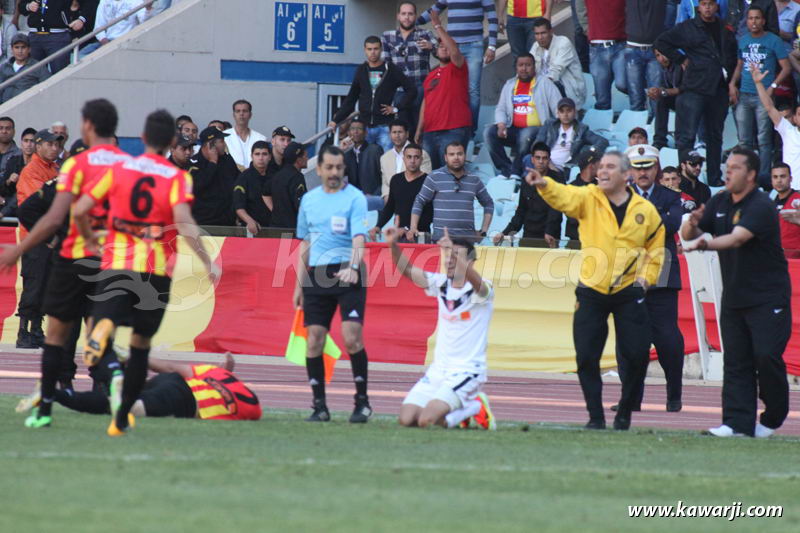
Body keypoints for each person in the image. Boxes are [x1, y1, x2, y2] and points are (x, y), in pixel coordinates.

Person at [73, 109, 219, 437]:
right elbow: (184, 223)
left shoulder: (120, 168)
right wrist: (208, 262)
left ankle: (109, 352)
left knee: (97, 335)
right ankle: (121, 418)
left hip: (117, 266)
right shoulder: (177, 177)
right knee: (141, 345)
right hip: (156, 273)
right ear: (170, 141)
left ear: (141, 138)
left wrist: (89, 239)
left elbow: (81, 208)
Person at [0, 99, 129, 428]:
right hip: (112, 259)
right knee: (99, 331)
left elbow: (50, 215)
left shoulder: (74, 166)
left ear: (87, 126)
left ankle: (45, 407)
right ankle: (111, 379)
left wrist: (19, 250)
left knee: (57, 335)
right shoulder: (130, 167)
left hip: (73, 257)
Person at [530, 151, 666, 430]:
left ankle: (625, 410)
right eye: (601, 167)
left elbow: (656, 249)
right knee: (586, 356)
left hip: (629, 291)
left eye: (610, 167)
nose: (602, 171)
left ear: (626, 175)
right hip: (591, 290)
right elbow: (564, 196)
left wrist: (646, 279)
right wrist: (544, 184)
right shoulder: (589, 197)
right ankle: (596, 416)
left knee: (637, 354)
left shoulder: (645, 210)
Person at [681, 147, 791, 438]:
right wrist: (692, 225)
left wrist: (703, 245)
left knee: (766, 356)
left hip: (768, 297)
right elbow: (690, 233)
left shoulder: (760, 206)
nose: (728, 172)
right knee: (736, 361)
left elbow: (737, 238)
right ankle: (735, 424)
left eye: (736, 168)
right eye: (727, 167)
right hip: (734, 295)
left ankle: (774, 415)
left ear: (752, 175)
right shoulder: (719, 200)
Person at [293, 145, 372, 423]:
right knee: (314, 339)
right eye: (329, 167)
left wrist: (352, 267)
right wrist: (298, 284)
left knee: (352, 337)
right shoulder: (309, 200)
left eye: (339, 167)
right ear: (319, 170)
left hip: (348, 270)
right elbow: (305, 242)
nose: (335, 172)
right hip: (317, 274)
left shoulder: (355, 198)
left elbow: (359, 238)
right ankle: (319, 406)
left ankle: (362, 402)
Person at [388, 226, 495, 430]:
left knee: (426, 421)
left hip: (467, 372)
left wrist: (454, 252)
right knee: (406, 419)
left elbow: (479, 285)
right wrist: (393, 245)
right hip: (439, 371)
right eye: (447, 255)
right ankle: (460, 408)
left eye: (456, 256)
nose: (449, 260)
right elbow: (408, 271)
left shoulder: (482, 291)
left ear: (470, 262)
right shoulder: (440, 284)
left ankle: (474, 407)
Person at [616, 144, 685, 413]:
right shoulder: (619, 196)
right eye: (638, 167)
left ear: (656, 168)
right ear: (630, 170)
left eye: (648, 167)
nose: (643, 172)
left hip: (662, 273)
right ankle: (630, 399)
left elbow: (673, 224)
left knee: (667, 338)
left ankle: (674, 395)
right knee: (627, 341)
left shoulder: (671, 196)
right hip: (628, 274)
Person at [21, 354, 261, 422]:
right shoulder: (252, 408)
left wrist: (134, 357)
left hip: (174, 384)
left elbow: (168, 367)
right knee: (126, 408)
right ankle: (53, 394)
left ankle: (118, 371)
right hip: (186, 401)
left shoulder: (215, 373)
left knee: (129, 398)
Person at [655, 0, 738, 187]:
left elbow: (732, 57)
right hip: (694, 87)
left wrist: (733, 84)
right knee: (687, 137)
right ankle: (683, 179)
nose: (707, 7)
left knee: (715, 136)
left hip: (719, 88)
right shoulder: (688, 27)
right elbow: (661, 42)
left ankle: (715, 178)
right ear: (698, 7)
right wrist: (681, 59)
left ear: (717, 6)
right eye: (704, 4)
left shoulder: (725, 27)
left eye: (711, 4)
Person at [729, 5, 790, 182]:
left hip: (765, 97)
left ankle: (763, 178)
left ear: (763, 21)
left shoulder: (773, 40)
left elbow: (786, 67)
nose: (754, 22)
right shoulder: (743, 40)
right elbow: (740, 65)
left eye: (757, 18)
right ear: (746, 21)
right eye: (750, 18)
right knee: (744, 141)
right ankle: (745, 176)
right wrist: (733, 83)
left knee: (764, 140)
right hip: (744, 94)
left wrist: (772, 86)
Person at [417, 0, 499, 129]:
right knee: (449, 87)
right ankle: (452, 125)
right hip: (452, 45)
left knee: (472, 90)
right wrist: (411, 23)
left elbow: (493, 18)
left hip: (474, 46)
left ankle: (470, 130)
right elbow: (433, 11)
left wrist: (492, 46)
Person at [329, 35, 416, 153]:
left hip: (385, 126)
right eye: (369, 49)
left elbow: (412, 90)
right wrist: (336, 120)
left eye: (376, 49)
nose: (373, 52)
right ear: (365, 50)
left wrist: (396, 108)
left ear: (381, 50)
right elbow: (351, 97)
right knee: (363, 161)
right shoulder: (361, 70)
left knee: (386, 162)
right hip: (364, 127)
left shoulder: (390, 69)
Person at [485, 52, 561, 181]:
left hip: (538, 130)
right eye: (521, 65)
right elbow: (501, 108)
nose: (524, 68)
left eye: (528, 65)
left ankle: (517, 170)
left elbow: (558, 108)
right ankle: (506, 169)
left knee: (526, 133)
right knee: (489, 132)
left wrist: (553, 127)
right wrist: (501, 124)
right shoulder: (510, 85)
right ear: (516, 67)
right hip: (513, 129)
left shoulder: (544, 83)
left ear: (534, 67)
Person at [415, 12, 471, 169]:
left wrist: (438, 26)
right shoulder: (430, 75)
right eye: (440, 46)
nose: (444, 48)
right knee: (430, 175)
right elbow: (425, 103)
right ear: (436, 51)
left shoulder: (458, 67)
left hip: (453, 129)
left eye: (447, 46)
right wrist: (419, 129)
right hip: (430, 131)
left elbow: (454, 51)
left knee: (451, 174)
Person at [409, 141, 494, 243]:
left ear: (465, 156)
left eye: (459, 154)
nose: (456, 157)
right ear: (445, 157)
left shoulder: (474, 179)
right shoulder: (434, 177)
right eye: (451, 154)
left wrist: (484, 231)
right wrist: (413, 227)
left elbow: (488, 203)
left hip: (467, 243)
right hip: (441, 242)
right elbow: (420, 200)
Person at [381, 2, 436, 138]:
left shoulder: (426, 34)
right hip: (400, 91)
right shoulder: (388, 36)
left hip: (421, 89)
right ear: (398, 16)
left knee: (421, 128)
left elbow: (442, 54)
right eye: (404, 14)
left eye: (410, 14)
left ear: (415, 16)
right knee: (401, 131)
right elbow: (385, 65)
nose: (407, 17)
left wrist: (431, 47)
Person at [493, 142, 562, 247]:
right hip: (528, 235)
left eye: (544, 158)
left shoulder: (558, 180)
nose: (541, 161)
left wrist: (550, 232)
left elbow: (556, 211)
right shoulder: (527, 181)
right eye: (538, 158)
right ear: (532, 159)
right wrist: (505, 233)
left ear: (549, 160)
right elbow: (521, 211)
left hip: (550, 237)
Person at [751, 64, 800, 189]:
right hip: (790, 192)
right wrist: (758, 83)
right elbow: (769, 107)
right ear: (794, 118)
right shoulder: (788, 131)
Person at [370, 143, 432, 241]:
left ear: (421, 159)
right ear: (403, 159)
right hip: (399, 234)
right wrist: (378, 226)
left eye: (416, 157)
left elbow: (430, 212)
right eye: (409, 157)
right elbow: (390, 207)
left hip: (421, 235)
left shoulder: (429, 181)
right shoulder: (396, 179)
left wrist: (408, 228)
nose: (412, 161)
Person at [534, 97, 609, 171]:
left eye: (569, 111)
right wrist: (549, 163)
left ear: (575, 112)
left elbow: (602, 141)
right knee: (528, 158)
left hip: (564, 168)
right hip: (544, 162)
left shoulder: (581, 129)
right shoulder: (549, 124)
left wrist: (591, 151)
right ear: (558, 113)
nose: (565, 114)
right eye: (562, 111)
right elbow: (537, 144)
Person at [530, 16, 587, 108]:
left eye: (543, 33)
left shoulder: (563, 42)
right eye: (537, 34)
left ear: (551, 31)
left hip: (568, 91)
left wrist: (537, 87)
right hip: (543, 91)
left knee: (551, 85)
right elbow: (529, 67)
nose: (540, 37)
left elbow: (555, 72)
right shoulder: (536, 46)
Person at [625, 0, 668, 115]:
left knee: (656, 95)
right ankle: (637, 129)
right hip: (633, 48)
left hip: (655, 49)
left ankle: (656, 129)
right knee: (635, 97)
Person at [189, 126, 238, 226]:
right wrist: (212, 163)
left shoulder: (227, 160)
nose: (224, 144)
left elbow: (237, 180)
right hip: (204, 223)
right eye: (221, 141)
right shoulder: (193, 163)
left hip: (227, 221)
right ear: (209, 145)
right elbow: (198, 185)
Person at [18, 0, 84, 73]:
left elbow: (88, 3)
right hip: (34, 36)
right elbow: (21, 7)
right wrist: (28, 6)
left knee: (59, 73)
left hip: (58, 36)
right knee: (34, 74)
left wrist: (81, 19)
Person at [585, 0, 628, 110]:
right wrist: (586, 29)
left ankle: (641, 100)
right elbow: (579, 6)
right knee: (602, 98)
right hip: (597, 46)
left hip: (620, 44)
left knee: (622, 84)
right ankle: (602, 126)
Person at [78, 0, 154, 58]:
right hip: (108, 41)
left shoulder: (136, 1)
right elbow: (98, 28)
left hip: (127, 41)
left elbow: (144, 20)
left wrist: (148, 8)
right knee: (80, 56)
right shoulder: (104, 1)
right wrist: (107, 45)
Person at [380, 119, 432, 200]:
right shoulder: (384, 158)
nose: (397, 135)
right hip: (391, 200)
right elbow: (385, 184)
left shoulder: (421, 154)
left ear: (407, 134)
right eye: (394, 132)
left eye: (400, 132)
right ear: (390, 135)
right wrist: (387, 197)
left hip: (414, 199)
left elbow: (424, 182)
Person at [265, 141, 307, 230]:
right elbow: (301, 205)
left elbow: (265, 193)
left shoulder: (277, 175)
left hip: (275, 227)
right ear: (298, 160)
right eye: (305, 156)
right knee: (287, 245)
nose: (307, 158)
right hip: (290, 230)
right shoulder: (297, 177)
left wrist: (276, 211)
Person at [233, 140, 273, 234]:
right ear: (252, 156)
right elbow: (238, 206)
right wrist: (250, 221)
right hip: (251, 230)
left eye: (264, 154)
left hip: (272, 229)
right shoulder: (244, 178)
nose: (261, 158)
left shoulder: (275, 177)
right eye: (257, 154)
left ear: (270, 157)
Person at [649, 47, 684, 150]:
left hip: (690, 100)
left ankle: (680, 141)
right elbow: (664, 88)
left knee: (680, 100)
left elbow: (684, 89)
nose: (662, 58)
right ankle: (659, 140)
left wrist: (663, 91)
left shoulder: (680, 65)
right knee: (661, 99)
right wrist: (655, 91)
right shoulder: (664, 68)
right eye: (658, 55)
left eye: (663, 54)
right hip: (678, 100)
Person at [565, 146, 601, 242]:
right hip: (575, 241)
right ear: (591, 166)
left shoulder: (603, 189)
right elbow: (572, 217)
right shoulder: (570, 189)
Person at [0, 33, 49, 103]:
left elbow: (47, 87)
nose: (20, 51)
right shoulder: (4, 67)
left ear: (29, 49)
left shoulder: (38, 67)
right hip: (5, 108)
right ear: (12, 49)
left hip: (27, 106)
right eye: (16, 47)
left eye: (23, 47)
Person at [342, 118, 384, 196]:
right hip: (355, 197)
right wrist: (341, 151)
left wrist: (376, 194)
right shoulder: (347, 154)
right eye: (353, 129)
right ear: (348, 133)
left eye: (359, 129)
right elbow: (339, 174)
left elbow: (384, 176)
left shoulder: (375, 150)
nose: (356, 132)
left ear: (366, 133)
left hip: (373, 197)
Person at [223, 99, 267, 170]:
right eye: (238, 111)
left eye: (245, 111)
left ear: (250, 115)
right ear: (234, 115)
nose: (241, 114)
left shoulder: (260, 138)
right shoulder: (224, 136)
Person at [0, 125, 34, 216]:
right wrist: (8, 181)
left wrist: (4, 208)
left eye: (32, 141)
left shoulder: (38, 165)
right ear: (21, 143)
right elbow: (3, 188)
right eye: (26, 141)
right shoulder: (13, 161)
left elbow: (23, 192)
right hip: (9, 208)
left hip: (27, 209)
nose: (28, 144)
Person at [771, 162, 800, 258]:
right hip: (775, 256)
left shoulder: (798, 201)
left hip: (796, 257)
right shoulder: (768, 203)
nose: (779, 180)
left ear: (790, 179)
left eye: (782, 176)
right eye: (775, 177)